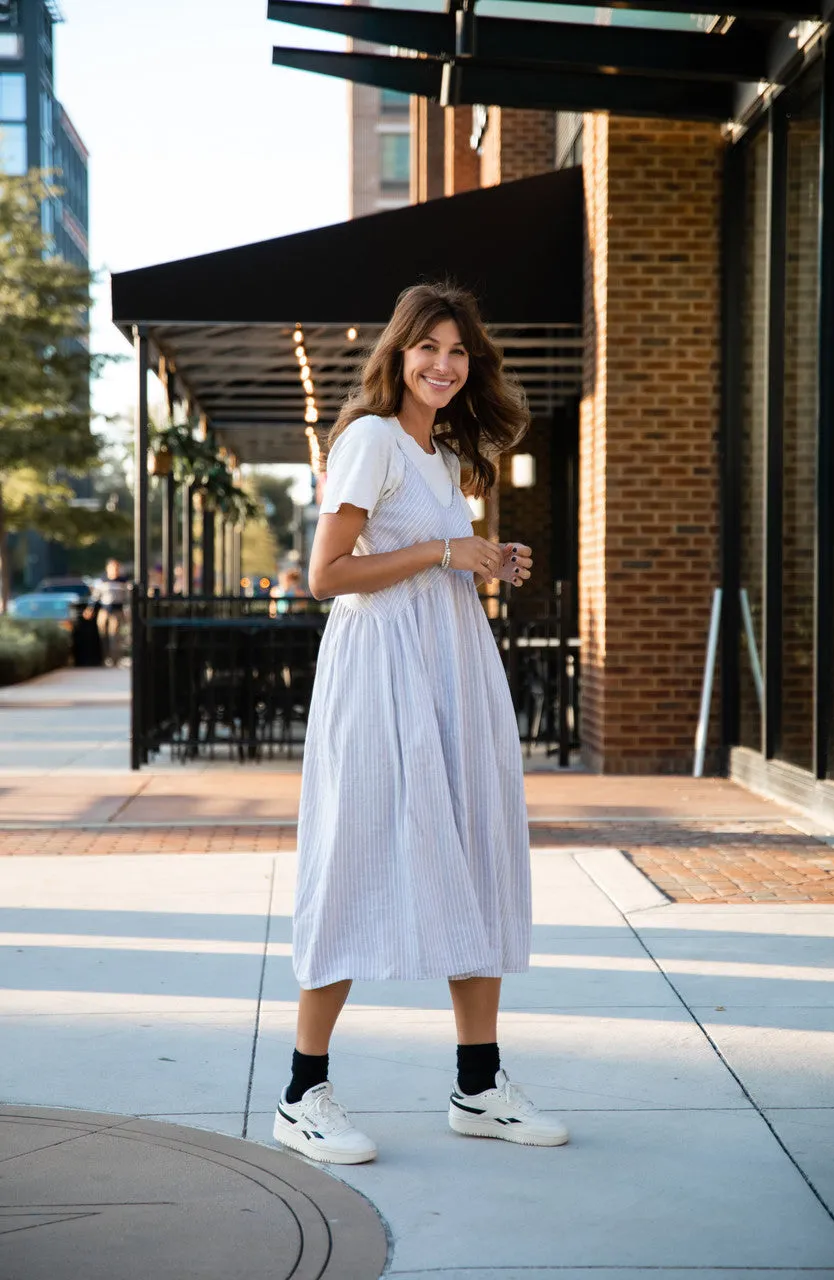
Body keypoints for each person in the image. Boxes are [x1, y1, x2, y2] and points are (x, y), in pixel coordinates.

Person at [272, 282, 569, 1165]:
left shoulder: (436, 453)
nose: (444, 364)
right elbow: (327, 573)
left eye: (458, 352)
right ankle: (301, 1092)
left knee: (473, 851)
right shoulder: (368, 439)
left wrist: (485, 558)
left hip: (450, 670)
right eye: (428, 348)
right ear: (397, 356)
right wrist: (446, 552)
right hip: (380, 677)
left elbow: (425, 560)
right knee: (355, 857)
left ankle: (478, 1086)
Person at [89, 558, 130, 666]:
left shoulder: (123, 581)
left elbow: (127, 598)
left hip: (117, 611)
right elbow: (95, 596)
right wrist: (90, 608)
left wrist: (127, 611)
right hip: (104, 610)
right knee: (103, 635)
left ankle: (115, 659)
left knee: (114, 636)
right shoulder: (102, 581)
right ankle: (104, 658)